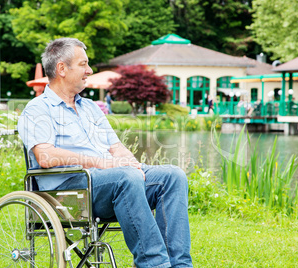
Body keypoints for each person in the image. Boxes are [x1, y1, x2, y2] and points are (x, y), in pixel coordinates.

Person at [17, 37, 193, 268]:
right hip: (69, 193)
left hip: (108, 183)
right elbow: (45, 156)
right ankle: (154, 264)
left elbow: (116, 147)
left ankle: (179, 265)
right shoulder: (38, 109)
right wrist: (104, 164)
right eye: (83, 64)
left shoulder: (90, 107)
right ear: (61, 68)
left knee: (172, 176)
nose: (89, 70)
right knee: (125, 177)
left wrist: (133, 165)